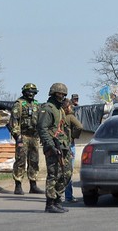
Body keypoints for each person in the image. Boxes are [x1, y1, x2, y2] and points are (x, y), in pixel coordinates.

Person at [37, 83, 72, 213]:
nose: (61, 96)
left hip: (62, 145)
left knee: (66, 173)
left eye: (63, 94)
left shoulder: (60, 109)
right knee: (53, 174)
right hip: (52, 146)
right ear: (53, 94)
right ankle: (50, 203)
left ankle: (57, 199)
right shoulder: (47, 108)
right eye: (58, 93)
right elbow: (42, 128)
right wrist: (50, 145)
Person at [8, 83, 44, 195]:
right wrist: (17, 136)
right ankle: (18, 185)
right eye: (29, 91)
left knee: (34, 161)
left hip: (34, 136)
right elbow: (14, 121)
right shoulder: (19, 104)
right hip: (22, 136)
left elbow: (41, 121)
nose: (31, 94)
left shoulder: (37, 105)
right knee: (20, 161)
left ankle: (33, 185)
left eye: (33, 92)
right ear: (24, 92)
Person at [62, 98, 83, 203]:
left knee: (58, 172)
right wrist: (73, 136)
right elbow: (79, 126)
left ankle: (55, 196)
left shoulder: (57, 117)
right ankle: (68, 196)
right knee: (68, 172)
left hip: (58, 146)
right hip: (69, 145)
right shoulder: (70, 117)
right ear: (68, 107)